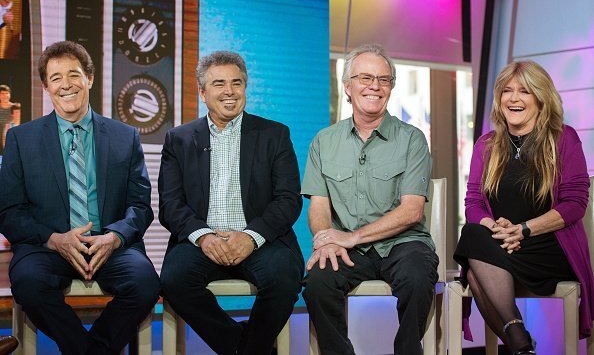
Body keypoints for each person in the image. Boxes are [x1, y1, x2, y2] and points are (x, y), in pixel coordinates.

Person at [0, 41, 160, 354]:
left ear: (89, 78)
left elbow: (140, 207)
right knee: (29, 284)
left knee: (145, 285)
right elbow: (9, 211)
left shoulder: (124, 136)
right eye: (56, 78)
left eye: (73, 75)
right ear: (46, 86)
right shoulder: (21, 138)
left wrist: (114, 237)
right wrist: (53, 239)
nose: (66, 85)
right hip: (47, 247)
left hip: (109, 246)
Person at [158, 50, 304, 355]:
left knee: (285, 278)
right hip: (202, 241)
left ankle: (247, 348)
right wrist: (205, 237)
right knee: (174, 279)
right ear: (202, 92)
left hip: (259, 239)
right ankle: (241, 345)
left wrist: (251, 237)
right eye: (219, 83)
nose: (229, 91)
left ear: (245, 88)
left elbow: (288, 200)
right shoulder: (179, 139)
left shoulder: (274, 135)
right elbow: (171, 205)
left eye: (237, 83)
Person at [301, 43, 439, 355]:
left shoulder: (412, 139)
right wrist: (326, 238)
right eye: (365, 78)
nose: (375, 86)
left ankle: (407, 351)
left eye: (384, 79)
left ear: (391, 87)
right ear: (347, 87)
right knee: (317, 284)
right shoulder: (324, 141)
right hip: (349, 250)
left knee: (418, 279)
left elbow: (412, 211)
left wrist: (350, 237)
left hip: (403, 244)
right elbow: (319, 205)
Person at [454, 61, 594, 354]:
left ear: (541, 99)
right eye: (507, 91)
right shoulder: (487, 145)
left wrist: (525, 229)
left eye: (524, 91)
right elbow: (474, 203)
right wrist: (496, 228)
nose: (513, 98)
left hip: (550, 247)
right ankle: (521, 344)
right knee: (473, 233)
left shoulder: (563, 138)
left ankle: (520, 345)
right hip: (501, 246)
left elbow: (575, 204)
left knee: (473, 272)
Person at [0, 84, 21, 154]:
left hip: (8, 136)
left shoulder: (14, 107)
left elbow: (17, 124)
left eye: (7, 93)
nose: (5, 96)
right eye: (2, 93)